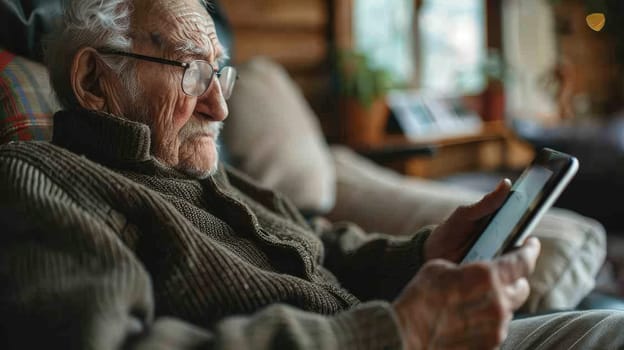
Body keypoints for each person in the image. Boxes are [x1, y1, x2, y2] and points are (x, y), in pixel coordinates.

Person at [0, 0, 623, 349]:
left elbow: (323, 247)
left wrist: (426, 251)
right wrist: (397, 330)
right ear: (93, 82)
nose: (220, 106)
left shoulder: (202, 170)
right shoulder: (43, 181)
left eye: (221, 75)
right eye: (191, 73)